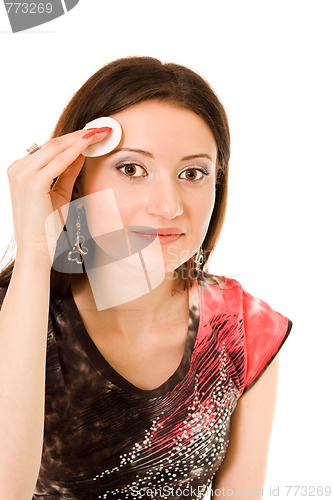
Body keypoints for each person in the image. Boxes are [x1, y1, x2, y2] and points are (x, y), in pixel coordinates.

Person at [0, 56, 293, 500]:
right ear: (74, 178)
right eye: (132, 169)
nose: (167, 206)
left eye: (192, 173)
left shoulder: (241, 328)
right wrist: (39, 252)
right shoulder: (13, 315)